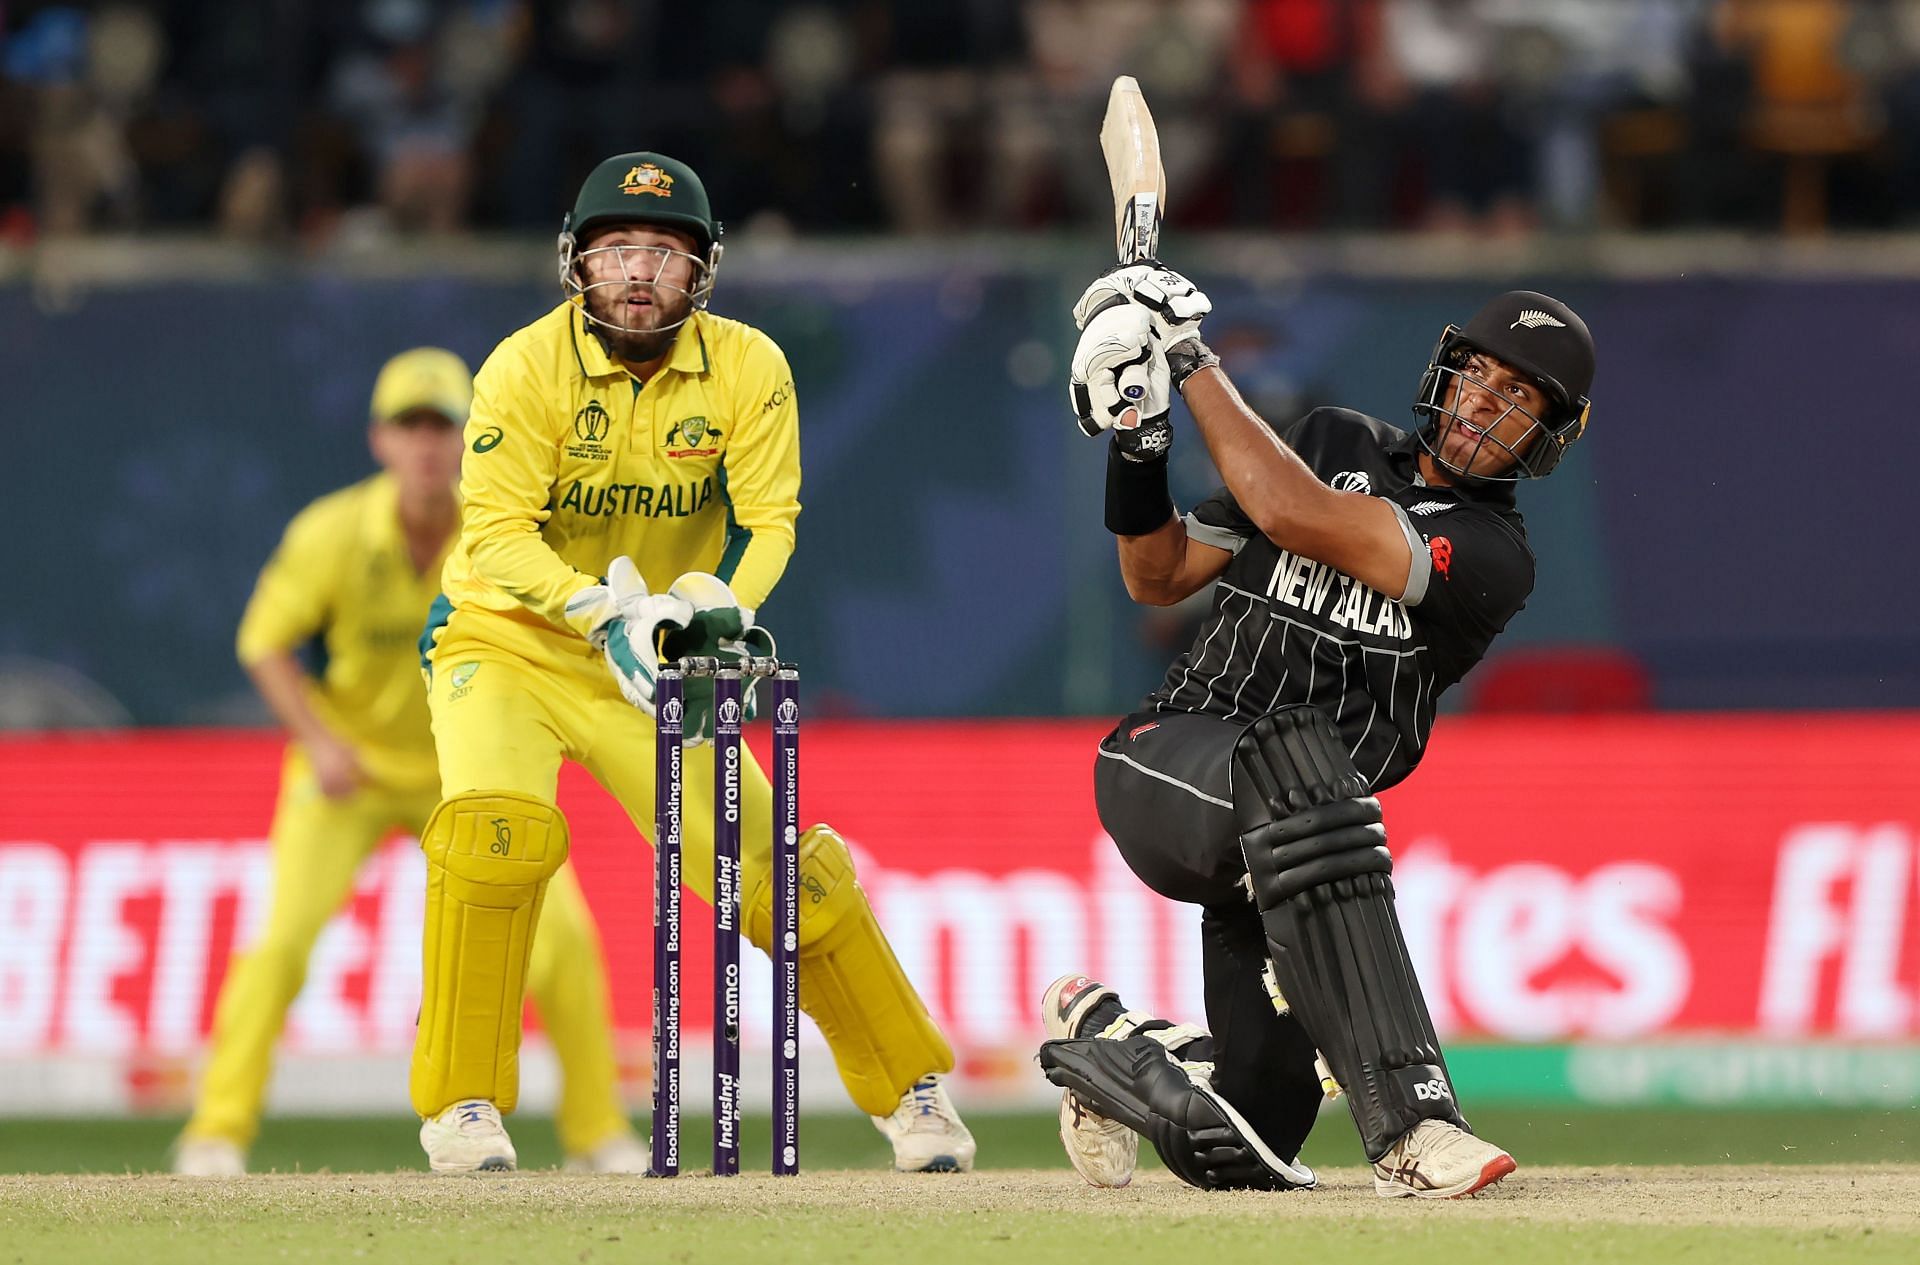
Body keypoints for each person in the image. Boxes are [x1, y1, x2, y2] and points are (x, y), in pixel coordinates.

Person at [410, 151, 972, 1174]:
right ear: (576, 262)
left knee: (765, 857)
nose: (636, 273)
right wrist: (598, 607)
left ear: (701, 272)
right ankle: (462, 1105)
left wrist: (717, 608)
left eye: (662, 255)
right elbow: (492, 531)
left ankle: (911, 1088)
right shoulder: (523, 366)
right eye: (616, 248)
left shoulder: (750, 365)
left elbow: (770, 522)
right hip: (510, 639)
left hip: (660, 651)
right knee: (495, 836)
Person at [1038, 269, 1595, 1198]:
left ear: (1546, 435)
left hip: (1291, 854)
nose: (1482, 407)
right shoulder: (1333, 439)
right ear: (1445, 370)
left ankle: (1112, 1048)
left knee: (1244, 1143)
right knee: (1306, 767)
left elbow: (1297, 514)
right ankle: (1414, 1124)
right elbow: (1160, 573)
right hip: (1169, 759)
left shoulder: (1495, 555)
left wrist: (1187, 357)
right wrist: (1138, 441)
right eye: (1478, 377)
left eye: (1516, 397)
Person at [175, 349, 646, 1176]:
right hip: (349, 771)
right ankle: (216, 1131)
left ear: (475, 438)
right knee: (280, 943)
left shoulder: (506, 530)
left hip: (468, 766)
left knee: (565, 942)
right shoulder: (331, 533)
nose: (429, 443)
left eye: (445, 425)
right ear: (380, 440)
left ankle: (596, 1132)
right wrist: (320, 742)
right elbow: (264, 644)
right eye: (411, 425)